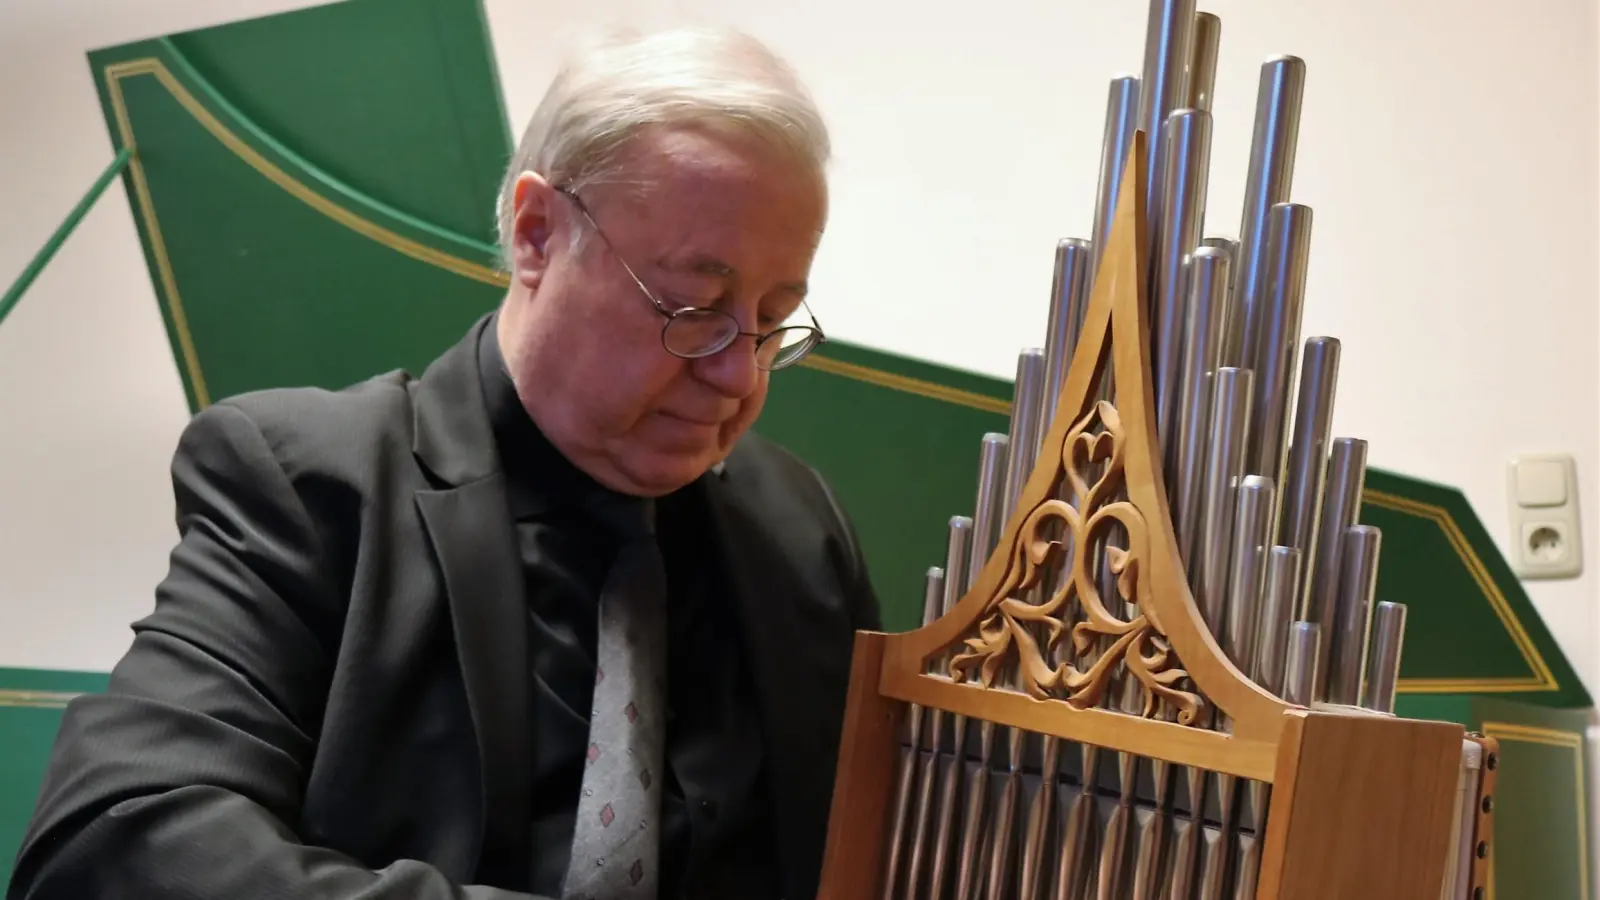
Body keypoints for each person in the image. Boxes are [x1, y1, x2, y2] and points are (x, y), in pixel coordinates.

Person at [8, 24, 881, 900]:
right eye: (694, 305)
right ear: (539, 234)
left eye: (773, 317)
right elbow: (110, 844)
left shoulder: (802, 528)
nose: (739, 374)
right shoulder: (307, 483)